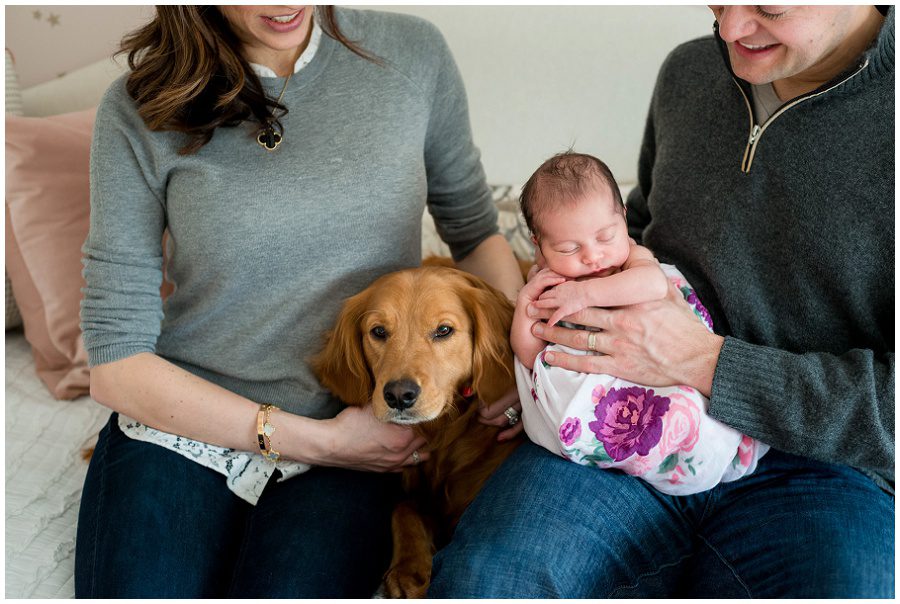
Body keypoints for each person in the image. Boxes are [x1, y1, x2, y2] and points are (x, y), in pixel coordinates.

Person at [429, 5, 893, 598]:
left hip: (822, 468)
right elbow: (640, 232)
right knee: (485, 583)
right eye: (717, 3)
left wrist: (704, 362)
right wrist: (545, 383)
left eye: (767, 9)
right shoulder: (692, 72)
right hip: (624, 421)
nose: (728, 31)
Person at [74, 5, 524, 598]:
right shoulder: (139, 103)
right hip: (185, 424)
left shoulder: (412, 53)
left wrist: (523, 362)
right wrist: (320, 441)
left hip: (356, 436)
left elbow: (474, 234)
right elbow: (115, 362)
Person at [511, 151, 768, 495]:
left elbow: (652, 285)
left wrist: (585, 295)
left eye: (605, 237)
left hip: (659, 371)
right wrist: (524, 312)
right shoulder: (549, 284)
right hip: (600, 392)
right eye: (570, 248)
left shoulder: (633, 260)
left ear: (623, 218)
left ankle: (693, 450)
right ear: (538, 245)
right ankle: (617, 451)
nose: (592, 255)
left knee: (684, 408)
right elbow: (532, 356)